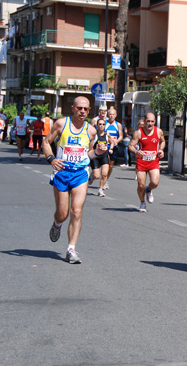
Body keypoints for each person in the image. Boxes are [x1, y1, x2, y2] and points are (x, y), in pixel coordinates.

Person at [42, 96, 106, 264]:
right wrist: (51, 159)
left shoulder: (91, 131)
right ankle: (57, 223)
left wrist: (98, 152)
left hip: (80, 174)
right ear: (73, 108)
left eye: (86, 109)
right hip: (62, 173)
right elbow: (46, 142)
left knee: (77, 211)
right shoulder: (61, 124)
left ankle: (71, 249)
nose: (82, 111)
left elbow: (89, 154)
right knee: (63, 214)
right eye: (79, 108)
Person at [128, 112, 166, 212]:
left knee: (155, 183)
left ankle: (148, 190)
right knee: (140, 185)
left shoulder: (158, 131)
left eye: (152, 121)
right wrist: (136, 151)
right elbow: (131, 145)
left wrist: (161, 150)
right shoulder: (139, 133)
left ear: (155, 122)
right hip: (142, 161)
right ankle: (142, 202)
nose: (150, 123)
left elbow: (162, 141)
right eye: (148, 121)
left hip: (153, 161)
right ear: (144, 121)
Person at [89, 119, 114, 197]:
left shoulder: (107, 135)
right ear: (97, 125)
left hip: (104, 156)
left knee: (104, 174)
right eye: (100, 124)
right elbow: (90, 146)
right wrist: (92, 151)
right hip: (95, 157)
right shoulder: (94, 135)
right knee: (97, 176)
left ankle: (100, 189)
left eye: (103, 124)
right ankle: (92, 176)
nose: (101, 126)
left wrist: (111, 149)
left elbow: (112, 142)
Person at [103, 107, 123, 189]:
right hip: (105, 147)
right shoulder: (104, 123)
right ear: (108, 115)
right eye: (110, 114)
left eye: (113, 114)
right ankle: (103, 181)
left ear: (116, 115)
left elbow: (121, 136)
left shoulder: (118, 125)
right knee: (106, 164)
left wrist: (117, 141)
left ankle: (106, 180)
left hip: (114, 147)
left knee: (111, 165)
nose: (111, 116)